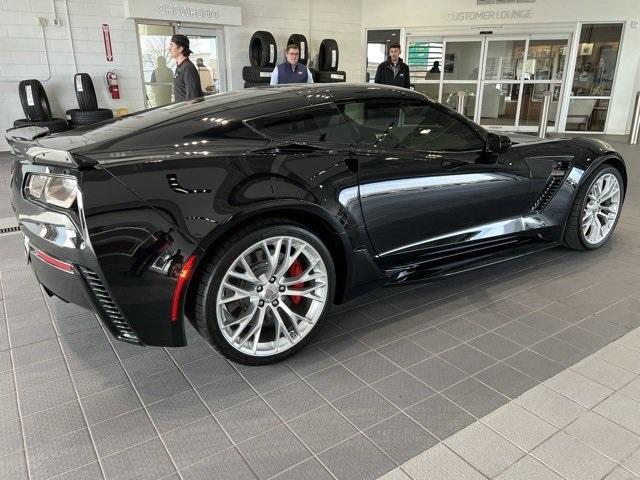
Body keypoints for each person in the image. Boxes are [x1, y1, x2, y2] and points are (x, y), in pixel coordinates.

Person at [168, 34, 203, 102]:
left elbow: (193, 97)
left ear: (180, 49)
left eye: (172, 45)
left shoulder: (188, 67)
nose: (169, 48)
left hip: (187, 110)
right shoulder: (180, 67)